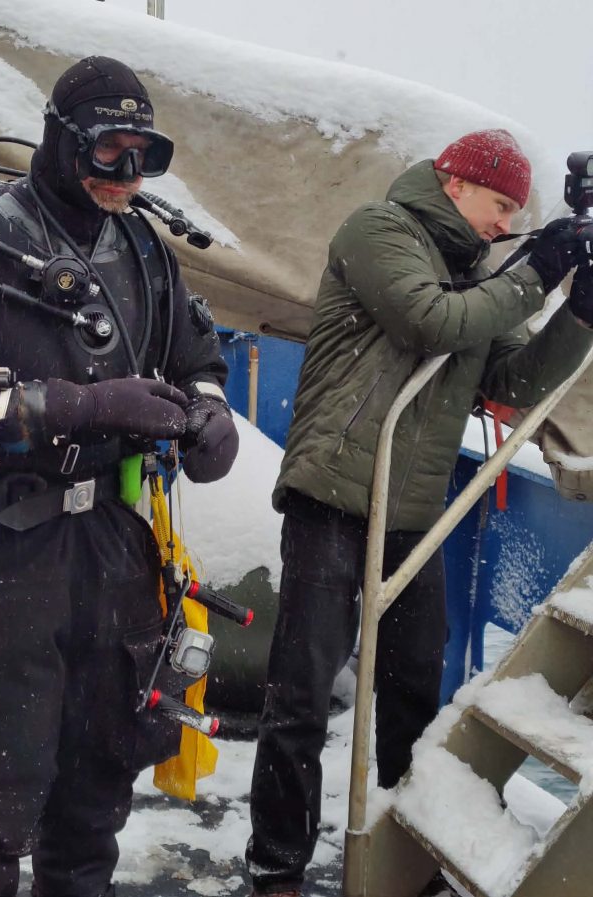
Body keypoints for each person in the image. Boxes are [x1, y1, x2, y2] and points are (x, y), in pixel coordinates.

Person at [0, 56, 238, 897]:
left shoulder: (145, 249)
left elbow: (196, 353)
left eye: (145, 155)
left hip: (114, 550)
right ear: (62, 141)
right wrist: (79, 403)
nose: (127, 175)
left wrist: (209, 410)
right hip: (2, 550)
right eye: (110, 151)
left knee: (95, 799)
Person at [244, 129, 593, 897]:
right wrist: (536, 271)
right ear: (454, 182)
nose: (506, 223)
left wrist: (578, 312)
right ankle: (278, 867)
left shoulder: (478, 275)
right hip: (331, 499)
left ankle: (406, 855)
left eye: (516, 213)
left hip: (411, 516)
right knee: (301, 693)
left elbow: (514, 380)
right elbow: (429, 320)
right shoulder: (379, 230)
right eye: (500, 204)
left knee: (410, 692)